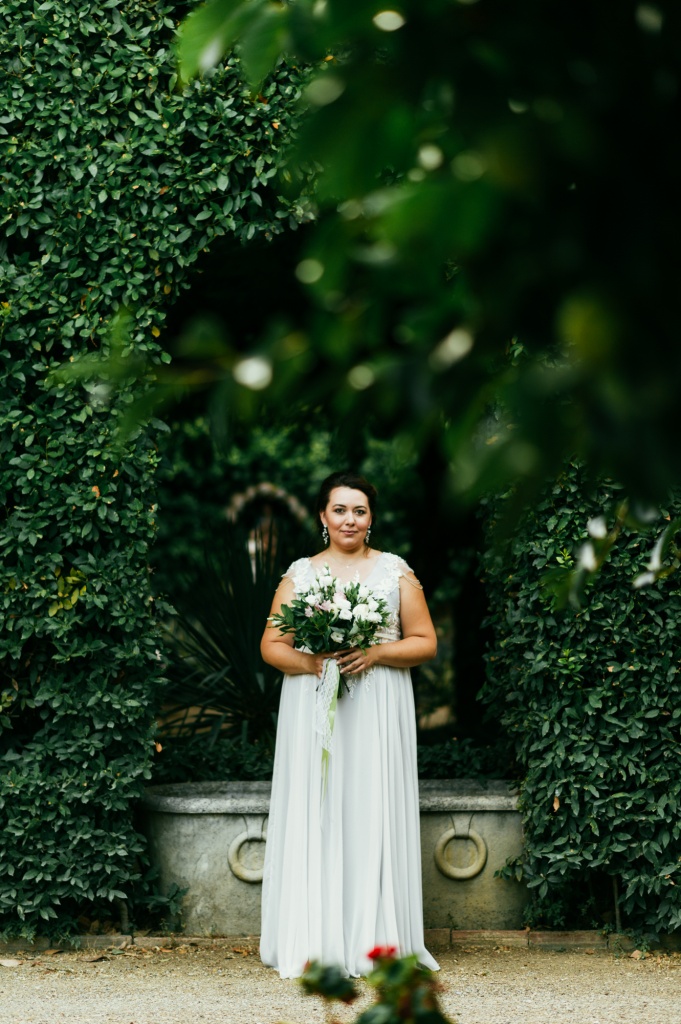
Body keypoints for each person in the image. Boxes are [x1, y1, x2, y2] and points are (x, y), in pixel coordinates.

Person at [259, 471, 440, 978]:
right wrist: (313, 662)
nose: (349, 520)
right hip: (315, 705)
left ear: (371, 518)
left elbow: (425, 641)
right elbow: (271, 646)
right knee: (321, 806)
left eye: (359, 511)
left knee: (371, 805)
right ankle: (317, 935)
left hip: (378, 705)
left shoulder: (395, 572)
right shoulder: (300, 575)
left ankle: (376, 937)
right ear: (323, 516)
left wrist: (377, 652)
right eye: (340, 510)